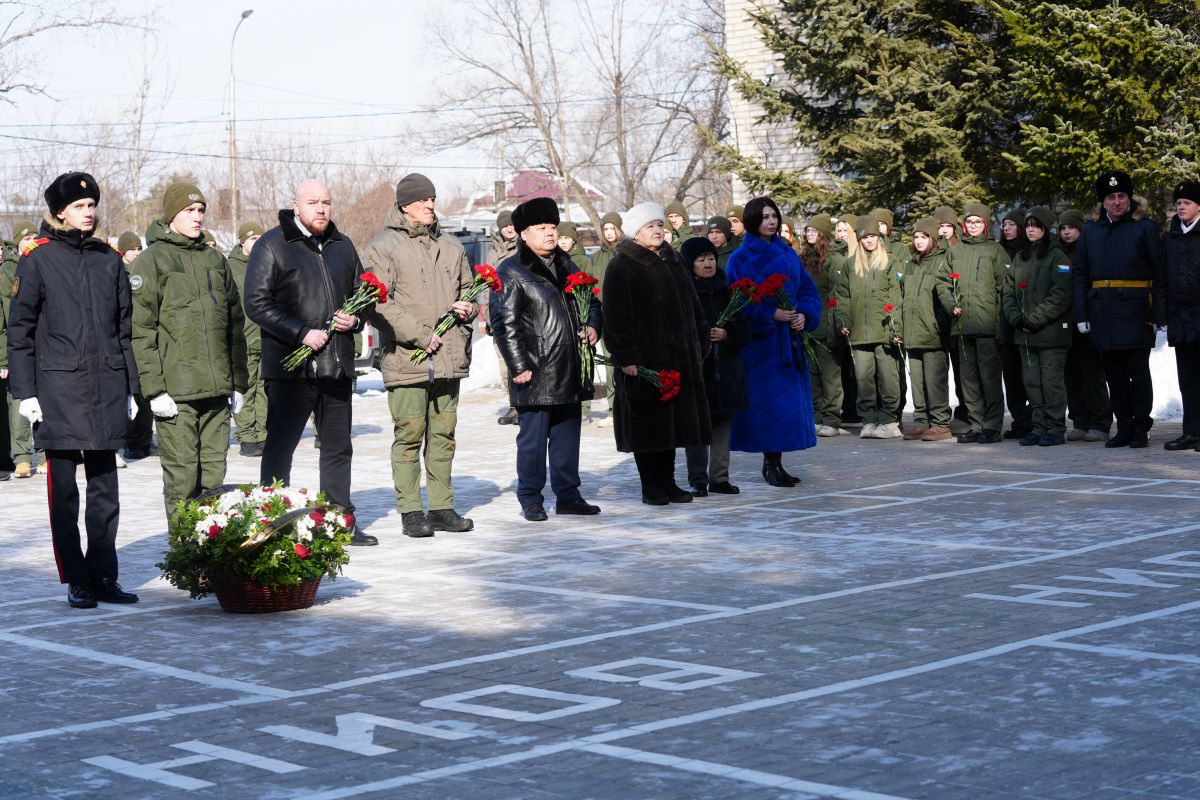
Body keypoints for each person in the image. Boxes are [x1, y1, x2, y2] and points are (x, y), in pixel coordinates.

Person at [7, 172, 140, 608]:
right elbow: (21, 331)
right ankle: (76, 577)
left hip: (106, 384)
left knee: (105, 490)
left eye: (92, 205)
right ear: (60, 211)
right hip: (57, 389)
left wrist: (130, 387)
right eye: (80, 206)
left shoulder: (108, 260)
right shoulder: (38, 259)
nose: (89, 212)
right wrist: (25, 392)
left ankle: (103, 575)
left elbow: (124, 330)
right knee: (64, 492)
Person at [243, 181, 376, 546]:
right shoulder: (272, 245)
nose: (321, 208)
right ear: (296, 205)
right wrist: (300, 332)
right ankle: (272, 521)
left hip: (335, 366)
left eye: (326, 202)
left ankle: (338, 519)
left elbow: (364, 295)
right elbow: (256, 302)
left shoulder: (342, 245)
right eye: (313, 202)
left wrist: (357, 319)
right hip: (292, 368)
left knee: (338, 447)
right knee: (280, 448)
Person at [363, 173, 476, 537]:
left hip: (448, 356)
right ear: (404, 205)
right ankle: (411, 511)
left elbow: (470, 289)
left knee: (444, 435)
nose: (430, 205)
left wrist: (470, 308)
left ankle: (442, 507)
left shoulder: (452, 245)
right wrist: (421, 336)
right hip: (407, 357)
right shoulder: (383, 247)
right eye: (423, 200)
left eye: (432, 199)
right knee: (409, 436)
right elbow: (378, 302)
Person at [131, 183, 248, 522]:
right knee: (182, 480)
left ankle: (210, 552)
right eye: (189, 211)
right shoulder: (152, 261)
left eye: (201, 211)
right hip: (176, 393)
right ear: (172, 216)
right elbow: (141, 331)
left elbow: (234, 326)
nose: (198, 217)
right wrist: (154, 390)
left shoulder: (215, 260)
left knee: (214, 481)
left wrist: (238, 382)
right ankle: (184, 553)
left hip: (217, 391)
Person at [491, 197, 602, 520]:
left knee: (567, 439)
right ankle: (531, 498)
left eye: (552, 227)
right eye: (541, 228)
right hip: (535, 370)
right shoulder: (511, 270)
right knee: (533, 442)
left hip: (569, 366)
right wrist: (518, 365)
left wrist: (593, 327)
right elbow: (504, 323)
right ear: (524, 234)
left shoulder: (568, 266)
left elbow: (592, 302)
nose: (550, 233)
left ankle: (568, 495)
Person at [602, 202, 711, 504]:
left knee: (671, 425)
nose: (657, 230)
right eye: (650, 226)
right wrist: (626, 357)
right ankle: (651, 485)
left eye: (660, 225)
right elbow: (616, 317)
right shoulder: (622, 264)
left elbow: (693, 305)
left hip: (680, 358)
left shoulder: (674, 260)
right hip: (645, 361)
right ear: (635, 232)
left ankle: (669, 482)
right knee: (648, 426)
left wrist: (701, 341)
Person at [727, 196, 821, 484]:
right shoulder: (741, 258)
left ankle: (777, 463)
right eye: (764, 217)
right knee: (768, 406)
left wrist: (804, 314)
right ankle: (769, 465)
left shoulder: (789, 253)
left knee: (785, 407)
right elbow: (736, 300)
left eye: (773, 216)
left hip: (790, 341)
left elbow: (808, 290)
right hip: (761, 346)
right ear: (752, 221)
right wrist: (769, 314)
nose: (770, 222)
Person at [1072, 171, 1165, 449]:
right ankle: (1123, 427)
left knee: (1138, 373)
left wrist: (1158, 312)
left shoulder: (1145, 227)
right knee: (1114, 375)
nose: (1116, 202)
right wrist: (1082, 314)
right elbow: (1080, 274)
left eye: (1121, 196)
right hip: (1102, 311)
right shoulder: (1091, 231)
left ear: (1129, 198)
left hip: (1136, 311)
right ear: (1103, 202)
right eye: (1110, 197)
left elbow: (1160, 272)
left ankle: (1140, 427)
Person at [681, 236, 748, 495]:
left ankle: (719, 478)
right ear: (690, 263)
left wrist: (727, 334)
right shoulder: (684, 293)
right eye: (701, 259)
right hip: (699, 370)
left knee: (722, 426)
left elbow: (744, 331)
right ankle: (697, 478)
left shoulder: (727, 291)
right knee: (697, 427)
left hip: (727, 369)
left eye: (710, 258)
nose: (708, 264)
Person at [1001, 207, 1073, 446]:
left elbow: (1060, 295)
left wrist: (1035, 319)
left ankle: (1055, 428)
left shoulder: (1057, 256)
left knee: (1051, 384)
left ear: (1046, 228)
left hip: (1050, 334)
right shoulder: (1020, 257)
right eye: (1028, 225)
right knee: (1032, 383)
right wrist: (1016, 318)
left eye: (1036, 225)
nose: (1031, 230)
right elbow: (1008, 293)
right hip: (1025, 334)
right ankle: (1039, 426)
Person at [833, 214, 904, 439]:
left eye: (873, 236)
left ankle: (889, 421)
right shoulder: (850, 264)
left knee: (888, 379)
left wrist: (895, 329)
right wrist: (843, 322)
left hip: (884, 332)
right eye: (865, 237)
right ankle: (869, 421)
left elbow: (896, 297)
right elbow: (842, 297)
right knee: (863, 380)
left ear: (879, 237)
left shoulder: (891, 261)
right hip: (859, 333)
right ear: (859, 239)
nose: (869, 240)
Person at [942, 202, 1007, 444]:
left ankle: (992, 426)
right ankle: (976, 424)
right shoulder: (955, 251)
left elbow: (1004, 288)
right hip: (962, 326)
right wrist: (951, 304)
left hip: (987, 327)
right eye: (969, 222)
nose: (973, 226)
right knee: (968, 381)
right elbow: (943, 282)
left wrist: (999, 324)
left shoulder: (995, 251)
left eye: (978, 222)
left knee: (989, 380)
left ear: (986, 224)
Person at [1057, 208, 1112, 442]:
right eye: (1063, 228)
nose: (1067, 232)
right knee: (1071, 375)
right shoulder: (1057, 254)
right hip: (1065, 324)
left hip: (1089, 321)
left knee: (1093, 373)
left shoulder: (1090, 251)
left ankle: (1100, 422)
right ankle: (1080, 420)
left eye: (1071, 227)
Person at [1155, 180, 1200, 452]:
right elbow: (1161, 278)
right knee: (1188, 379)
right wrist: (1161, 313)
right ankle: (1191, 432)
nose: (1181, 207)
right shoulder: (1170, 237)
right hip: (1181, 319)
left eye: (1187, 203)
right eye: (1179, 203)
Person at [899, 217, 953, 441]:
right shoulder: (911, 264)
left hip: (933, 332)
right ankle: (921, 420)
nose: (919, 241)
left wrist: (938, 324)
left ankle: (940, 423)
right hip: (912, 332)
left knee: (935, 381)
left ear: (933, 239)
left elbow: (946, 294)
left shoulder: (943, 260)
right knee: (917, 382)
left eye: (924, 237)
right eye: (916, 237)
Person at [803, 213, 849, 436]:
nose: (809, 234)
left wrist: (837, 324)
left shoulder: (835, 259)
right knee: (813, 374)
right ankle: (817, 417)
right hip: (808, 326)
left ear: (822, 234)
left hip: (828, 325)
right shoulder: (805, 258)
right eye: (807, 231)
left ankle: (831, 419)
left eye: (814, 231)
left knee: (830, 376)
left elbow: (839, 294)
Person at [226, 222, 267, 457]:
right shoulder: (230, 268)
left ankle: (262, 433)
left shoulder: (267, 263)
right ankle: (248, 437)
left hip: (267, 339)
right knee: (245, 389)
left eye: (261, 238)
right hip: (243, 339)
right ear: (242, 241)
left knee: (265, 390)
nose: (258, 242)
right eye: (253, 239)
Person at [2, 220, 39, 478]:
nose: (31, 243)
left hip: (43, 342)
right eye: (26, 239)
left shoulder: (43, 261)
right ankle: (23, 456)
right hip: (17, 343)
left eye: (35, 237)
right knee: (18, 400)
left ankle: (46, 454)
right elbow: (6, 319)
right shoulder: (8, 270)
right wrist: (5, 358)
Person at [997, 209, 1034, 440]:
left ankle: (1034, 419)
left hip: (1027, 321)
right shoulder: (999, 251)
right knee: (1011, 377)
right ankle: (1020, 421)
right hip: (1004, 324)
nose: (1007, 228)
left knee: (1029, 375)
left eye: (1012, 224)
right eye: (1004, 224)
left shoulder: (1029, 253)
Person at [933, 205, 969, 432]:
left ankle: (965, 411)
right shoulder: (929, 250)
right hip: (935, 320)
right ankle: (938, 414)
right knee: (937, 372)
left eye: (948, 226)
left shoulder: (959, 249)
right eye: (940, 226)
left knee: (961, 369)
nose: (944, 230)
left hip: (956, 318)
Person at [587, 212, 623, 428]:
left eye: (612, 228)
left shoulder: (626, 251)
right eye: (605, 229)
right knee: (610, 364)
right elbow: (592, 285)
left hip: (625, 314)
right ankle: (612, 408)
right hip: (604, 314)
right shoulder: (596, 257)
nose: (609, 233)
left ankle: (628, 406)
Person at [484, 210, 520, 426]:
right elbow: (485, 285)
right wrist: (487, 316)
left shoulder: (523, 247)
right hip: (496, 313)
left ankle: (525, 406)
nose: (509, 228)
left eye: (511, 224)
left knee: (519, 361)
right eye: (504, 225)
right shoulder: (492, 252)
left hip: (515, 314)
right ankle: (514, 405)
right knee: (504, 363)